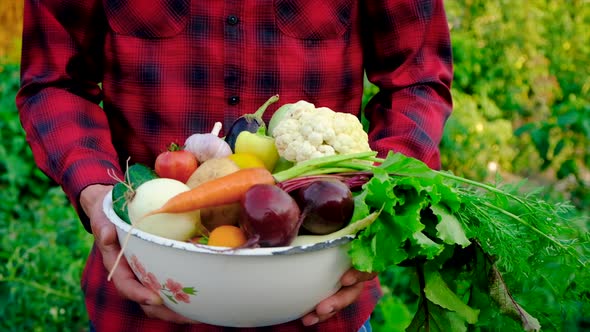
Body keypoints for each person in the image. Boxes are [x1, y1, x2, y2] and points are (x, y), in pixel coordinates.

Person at [16, 0, 453, 331]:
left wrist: (380, 206)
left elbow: (417, 77)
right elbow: (55, 81)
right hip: (142, 303)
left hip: (319, 305)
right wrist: (96, 194)